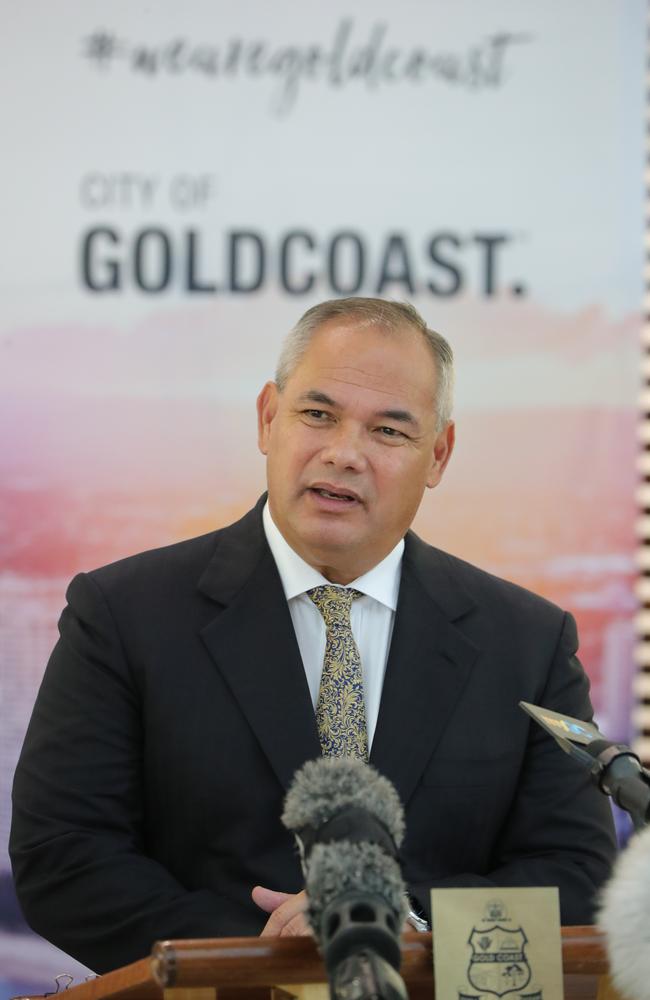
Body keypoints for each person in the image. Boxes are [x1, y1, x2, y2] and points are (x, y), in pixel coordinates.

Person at [10, 298, 616, 973]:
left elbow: (576, 875)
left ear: (438, 454)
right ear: (269, 417)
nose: (344, 454)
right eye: (318, 415)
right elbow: (62, 854)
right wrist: (263, 950)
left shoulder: (526, 643)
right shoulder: (124, 615)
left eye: (388, 431)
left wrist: (402, 922)